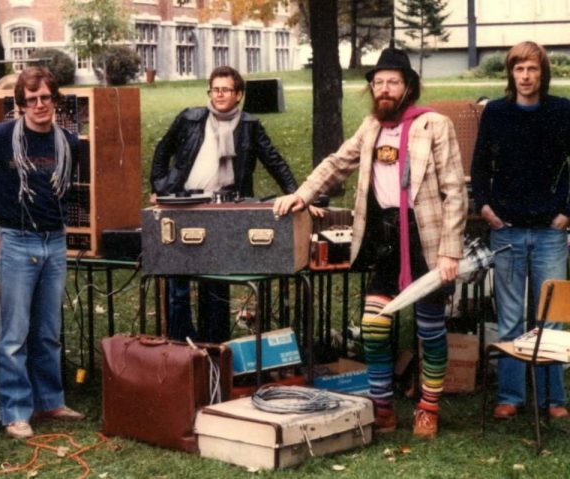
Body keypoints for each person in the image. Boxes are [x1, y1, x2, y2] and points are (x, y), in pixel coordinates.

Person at [274, 48, 467, 438]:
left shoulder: (434, 124)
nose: (384, 89)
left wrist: (450, 250)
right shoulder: (370, 128)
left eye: (392, 81)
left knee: (429, 329)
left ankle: (428, 408)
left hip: (425, 239)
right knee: (374, 327)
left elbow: (454, 190)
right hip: (384, 241)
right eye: (378, 82)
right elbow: (336, 163)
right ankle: (382, 409)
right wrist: (303, 194)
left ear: (408, 86)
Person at [0, 67, 84, 441]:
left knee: (49, 330)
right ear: (21, 103)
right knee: (14, 333)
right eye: (31, 99)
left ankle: (50, 401)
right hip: (17, 240)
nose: (39, 105)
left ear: (56, 101)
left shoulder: (68, 142)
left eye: (46, 98)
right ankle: (15, 411)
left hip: (54, 240)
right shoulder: (3, 135)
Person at [150, 65, 298, 343]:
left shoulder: (249, 126)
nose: (219, 95)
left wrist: (295, 194)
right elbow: (163, 150)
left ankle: (215, 346)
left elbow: (273, 160)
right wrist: (159, 187)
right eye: (215, 89)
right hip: (184, 205)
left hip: (223, 209)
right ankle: (181, 345)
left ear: (238, 94)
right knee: (177, 282)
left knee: (215, 282)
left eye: (226, 90)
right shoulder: (190, 119)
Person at [471, 41, 570, 420]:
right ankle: (511, 395)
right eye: (518, 69)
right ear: (510, 74)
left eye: (532, 69)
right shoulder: (496, 113)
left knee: (551, 316)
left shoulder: (562, 111)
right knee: (510, 316)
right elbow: (480, 165)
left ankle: (553, 399)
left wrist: (566, 213)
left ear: (543, 73)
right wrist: (486, 208)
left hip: (550, 232)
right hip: (507, 229)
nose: (526, 76)